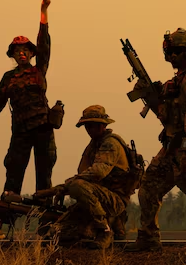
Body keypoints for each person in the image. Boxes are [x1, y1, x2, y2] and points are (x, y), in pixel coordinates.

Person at [126, 28, 186, 259]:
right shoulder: (178, 80)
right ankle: (148, 238)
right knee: (149, 187)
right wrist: (151, 97)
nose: (171, 56)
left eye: (175, 51)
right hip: (172, 147)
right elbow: (169, 114)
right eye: (169, 51)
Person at [0, 0, 61, 239]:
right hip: (20, 132)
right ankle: (1, 225)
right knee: (13, 175)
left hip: (43, 129)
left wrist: (43, 12)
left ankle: (45, 228)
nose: (21, 54)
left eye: (25, 50)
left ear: (31, 53)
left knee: (44, 179)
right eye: (17, 51)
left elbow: (44, 43)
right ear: (12, 55)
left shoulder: (39, 69)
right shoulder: (9, 78)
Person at [45, 105, 133, 249]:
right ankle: (109, 224)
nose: (89, 129)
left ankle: (104, 230)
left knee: (76, 185)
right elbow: (83, 173)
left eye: (92, 125)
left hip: (115, 200)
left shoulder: (110, 144)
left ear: (102, 126)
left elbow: (97, 172)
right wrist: (61, 189)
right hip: (98, 199)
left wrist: (68, 185)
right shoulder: (93, 145)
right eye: (87, 126)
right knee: (57, 232)